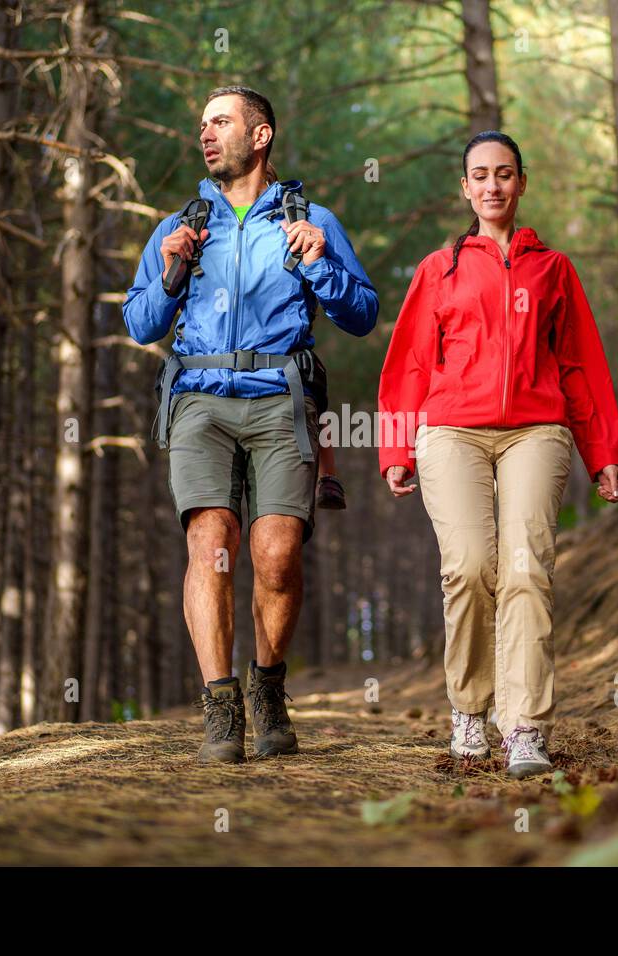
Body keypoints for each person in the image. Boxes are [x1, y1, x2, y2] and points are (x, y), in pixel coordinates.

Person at [123, 86, 379, 763]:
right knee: (211, 539)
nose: (206, 135)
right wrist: (172, 271)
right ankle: (220, 704)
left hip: (279, 397)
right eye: (201, 125)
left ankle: (268, 685)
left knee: (276, 553)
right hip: (199, 397)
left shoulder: (309, 217)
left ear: (260, 136)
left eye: (221, 122)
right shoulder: (181, 224)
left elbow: (361, 315)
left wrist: (322, 263)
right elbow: (141, 322)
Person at [377, 131, 618, 779]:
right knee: (469, 566)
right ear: (465, 188)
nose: (493, 186)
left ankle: (524, 728)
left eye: (505, 174)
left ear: (522, 183)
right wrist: (396, 445)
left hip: (535, 431)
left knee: (526, 571)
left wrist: (604, 452)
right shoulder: (441, 268)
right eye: (480, 175)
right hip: (451, 429)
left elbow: (580, 366)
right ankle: (469, 707)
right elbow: (408, 363)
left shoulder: (554, 269)